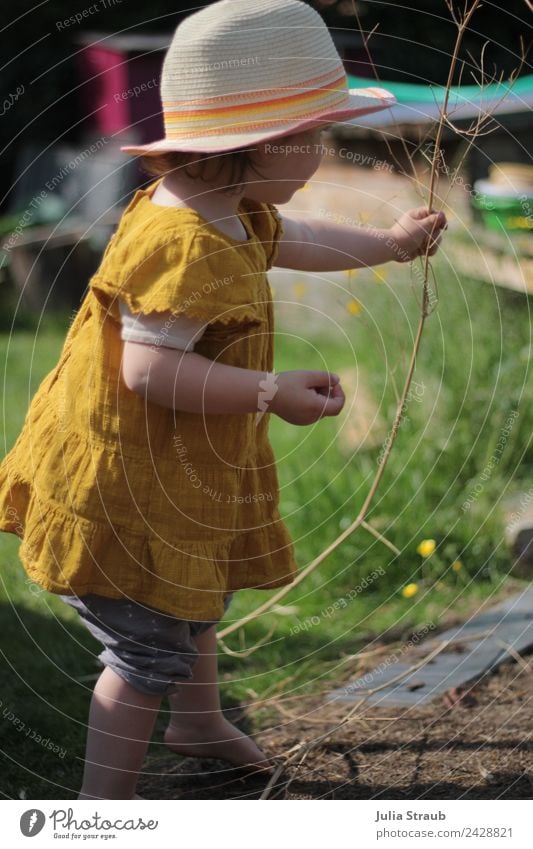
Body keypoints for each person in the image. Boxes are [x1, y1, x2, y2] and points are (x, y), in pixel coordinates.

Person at [0, 0, 446, 800]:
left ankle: (199, 721)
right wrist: (267, 390)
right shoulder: (179, 242)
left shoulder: (231, 210)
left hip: (178, 473)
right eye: (317, 139)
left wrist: (386, 245)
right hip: (124, 487)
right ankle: (105, 808)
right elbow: (147, 373)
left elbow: (298, 238)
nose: (321, 155)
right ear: (265, 144)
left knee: (196, 594)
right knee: (143, 657)